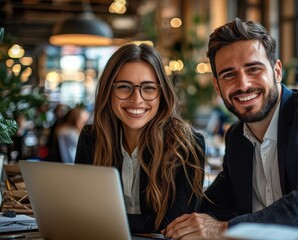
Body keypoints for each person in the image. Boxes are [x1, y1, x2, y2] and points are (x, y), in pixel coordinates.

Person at [164, 18, 298, 240]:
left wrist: (222, 229)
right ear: (217, 86)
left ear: (277, 71)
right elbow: (206, 210)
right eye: (229, 75)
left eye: (253, 69)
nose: (243, 84)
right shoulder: (238, 139)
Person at [74, 43, 206, 233]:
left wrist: (101, 221)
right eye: (124, 87)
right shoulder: (91, 138)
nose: (136, 99)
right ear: (109, 91)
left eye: (149, 88)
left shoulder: (186, 144)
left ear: (161, 93)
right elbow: (80, 209)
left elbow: (176, 224)